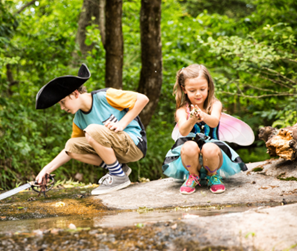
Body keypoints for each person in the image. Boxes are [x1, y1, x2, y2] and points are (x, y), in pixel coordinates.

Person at [35, 64, 149, 195]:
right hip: (116, 152)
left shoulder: (104, 96)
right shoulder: (78, 119)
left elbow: (142, 99)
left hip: (134, 144)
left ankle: (118, 177)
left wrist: (122, 124)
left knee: (91, 130)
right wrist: (46, 170)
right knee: (71, 146)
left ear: (75, 93)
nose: (62, 107)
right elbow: (70, 151)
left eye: (62, 102)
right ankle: (119, 169)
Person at [163, 64, 248, 195]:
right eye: (192, 90)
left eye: (202, 89)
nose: (198, 94)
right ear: (184, 89)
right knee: (188, 146)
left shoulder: (214, 104)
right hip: (191, 158)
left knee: (209, 147)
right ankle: (193, 176)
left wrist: (203, 115)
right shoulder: (182, 110)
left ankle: (212, 175)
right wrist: (191, 119)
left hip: (212, 155)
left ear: (208, 86)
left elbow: (214, 122)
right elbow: (183, 131)